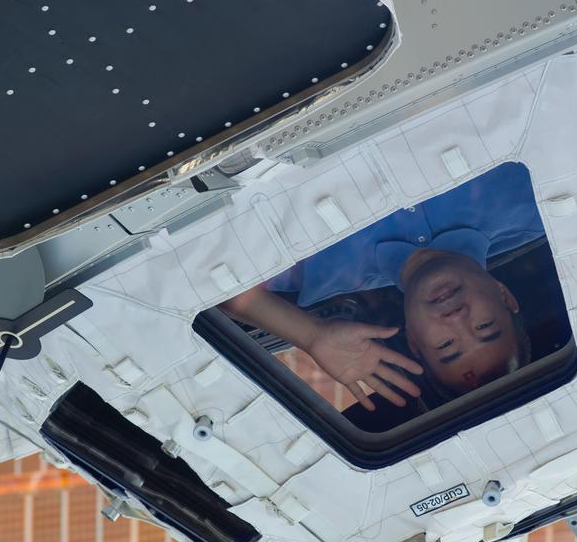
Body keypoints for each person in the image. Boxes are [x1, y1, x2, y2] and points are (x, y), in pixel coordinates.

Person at [220, 162, 543, 411]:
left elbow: (221, 284)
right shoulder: (534, 199)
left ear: (414, 341)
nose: (457, 318)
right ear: (505, 296)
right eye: (485, 326)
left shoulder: (316, 272)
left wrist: (311, 335)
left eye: (446, 345)